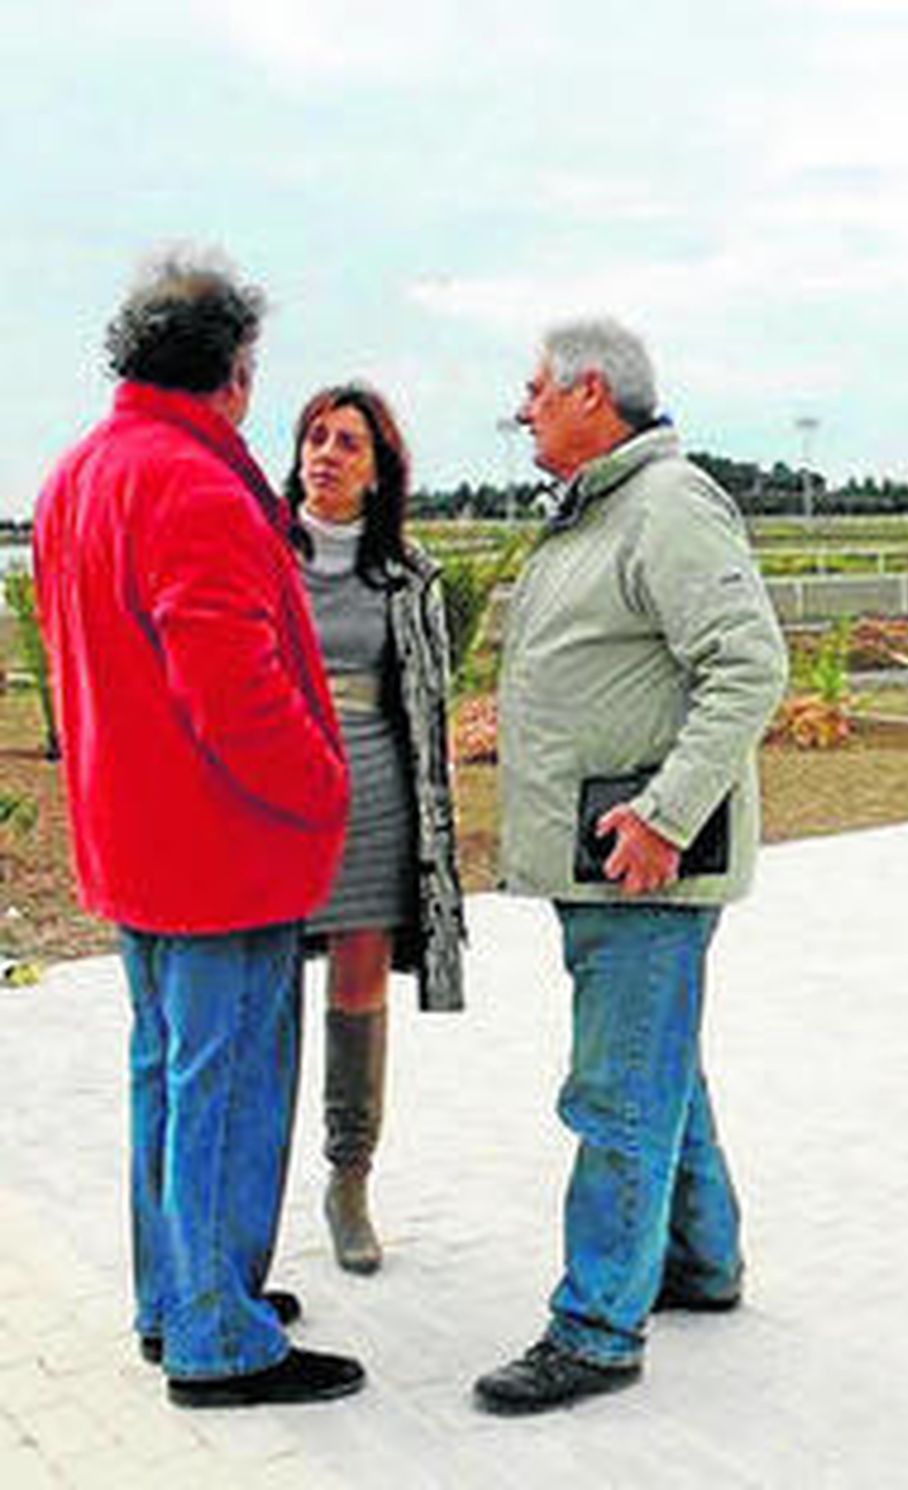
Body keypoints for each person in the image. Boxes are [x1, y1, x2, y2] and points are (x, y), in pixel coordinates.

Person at [32, 250, 365, 1408]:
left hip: (134, 838)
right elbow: (236, 688)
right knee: (223, 1084)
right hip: (219, 847)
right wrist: (325, 784)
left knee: (169, 1078)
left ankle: (178, 1292)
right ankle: (218, 1334)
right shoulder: (195, 484)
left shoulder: (81, 471)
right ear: (233, 371)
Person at [473, 318, 788, 1415]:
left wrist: (661, 815)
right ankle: (701, 1260)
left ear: (588, 391)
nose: (522, 406)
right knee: (660, 1066)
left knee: (616, 1090)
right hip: (605, 858)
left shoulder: (666, 504)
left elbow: (750, 665)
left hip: (642, 861)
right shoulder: (605, 507)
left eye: (534, 388)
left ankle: (597, 1326)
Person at [283, 383, 466, 1274]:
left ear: (378, 466)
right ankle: (245, 1185)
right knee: (260, 989)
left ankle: (347, 1179)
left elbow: (428, 705)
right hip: (272, 800)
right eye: (316, 437)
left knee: (357, 991)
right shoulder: (257, 552)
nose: (326, 453)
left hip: (375, 798)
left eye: (348, 442)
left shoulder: (409, 573)